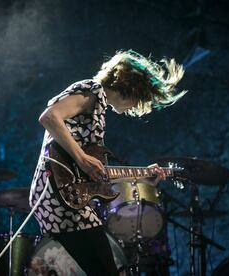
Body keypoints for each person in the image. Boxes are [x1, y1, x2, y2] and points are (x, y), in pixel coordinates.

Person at [29, 50, 186, 275]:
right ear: (131, 87)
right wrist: (82, 159)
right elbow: (49, 117)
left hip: (66, 198)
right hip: (58, 198)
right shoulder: (92, 90)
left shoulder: (98, 106)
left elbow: (96, 172)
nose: (136, 107)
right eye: (139, 99)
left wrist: (143, 176)